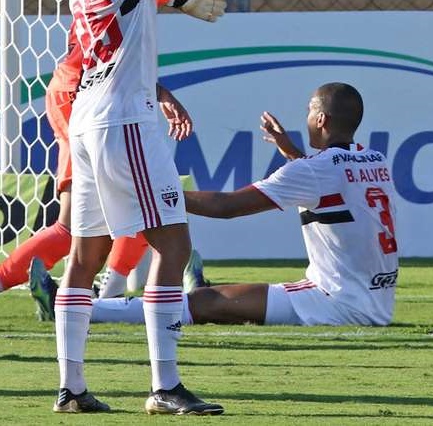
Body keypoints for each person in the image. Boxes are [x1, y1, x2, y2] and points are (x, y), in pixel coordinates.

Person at [53, 0, 223, 415]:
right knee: (173, 244)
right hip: (125, 119)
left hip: (90, 115)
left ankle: (71, 388)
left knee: (86, 255)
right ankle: (164, 385)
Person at [0, 0, 226, 306]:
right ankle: (90, 287)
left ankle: (106, 289)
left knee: (130, 206)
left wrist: (162, 83)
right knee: (94, 219)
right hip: (82, 91)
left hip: (88, 89)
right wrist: (183, 0)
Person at [78, 83, 399, 329]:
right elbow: (332, 181)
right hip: (376, 304)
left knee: (203, 303)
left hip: (332, 303)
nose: (306, 118)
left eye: (308, 111)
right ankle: (92, 305)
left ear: (321, 119)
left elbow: (226, 207)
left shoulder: (313, 171)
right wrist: (291, 152)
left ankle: (83, 308)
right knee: (210, 299)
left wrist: (152, 194)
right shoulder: (375, 159)